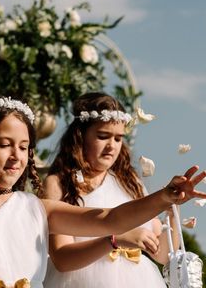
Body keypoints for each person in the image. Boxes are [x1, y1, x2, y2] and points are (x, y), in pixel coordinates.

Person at [0, 93, 206, 288]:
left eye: (23, 147)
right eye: (4, 144)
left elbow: (108, 220)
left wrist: (164, 197)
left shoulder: (37, 208)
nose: (16, 156)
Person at [44, 92, 175, 288]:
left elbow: (162, 255)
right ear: (80, 136)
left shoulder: (131, 183)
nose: (111, 146)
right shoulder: (59, 183)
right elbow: (62, 259)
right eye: (103, 136)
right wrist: (115, 240)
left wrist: (172, 209)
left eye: (118, 139)